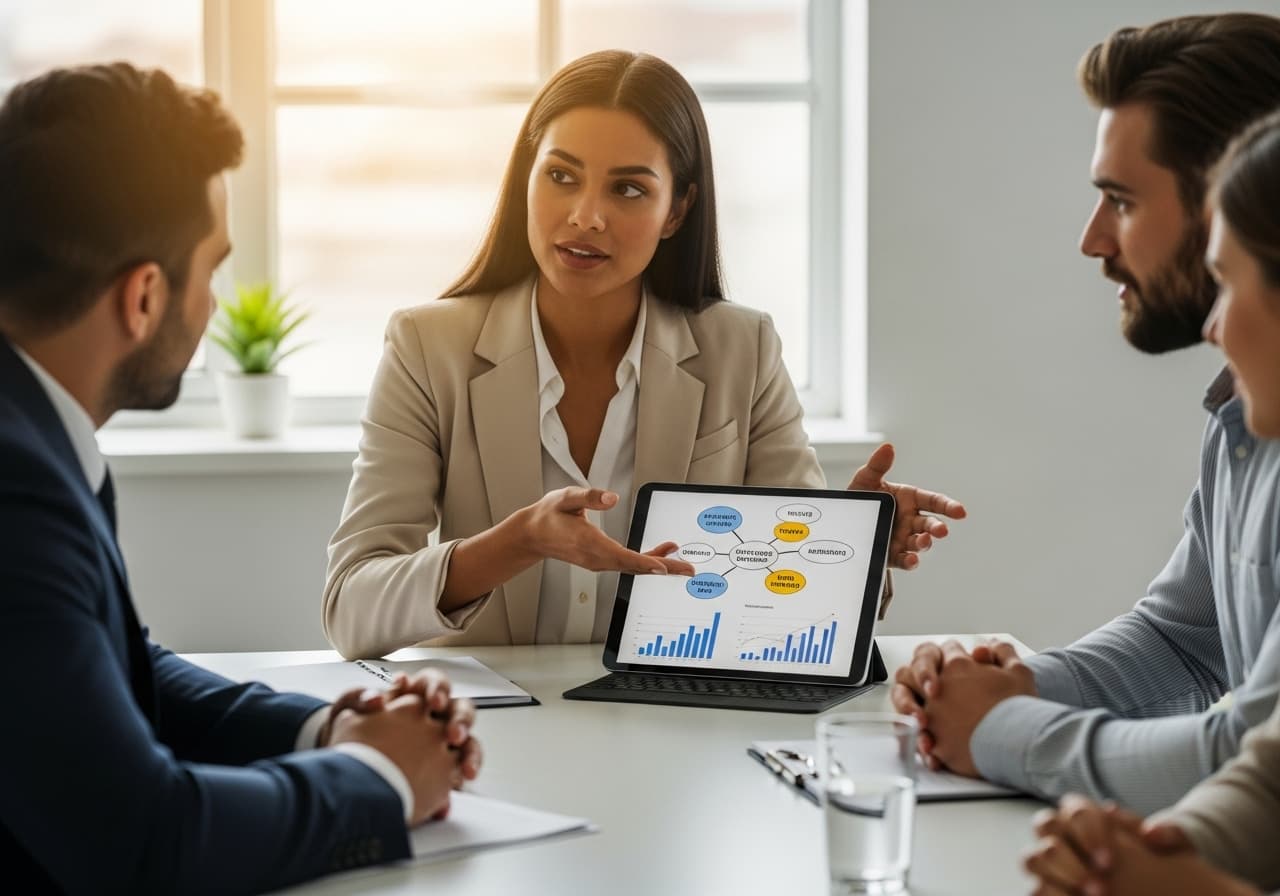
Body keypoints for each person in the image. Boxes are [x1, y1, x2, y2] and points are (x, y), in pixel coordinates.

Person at [0, 63, 480, 893]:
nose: (214, 305)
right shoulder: (15, 491)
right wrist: (379, 780)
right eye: (210, 270)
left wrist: (330, 729)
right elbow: (145, 838)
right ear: (143, 297)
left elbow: (118, 670)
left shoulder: (32, 431)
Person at [323, 50, 966, 657]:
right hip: (488, 731)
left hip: (675, 719)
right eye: (560, 176)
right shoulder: (427, 346)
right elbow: (350, 608)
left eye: (627, 190)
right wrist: (513, 544)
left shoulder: (742, 349)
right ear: (526, 179)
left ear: (677, 209)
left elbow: (794, 613)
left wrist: (855, 548)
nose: (585, 216)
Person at [889, 12, 1280, 814]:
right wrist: (1016, 685)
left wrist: (1002, 730)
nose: (1092, 240)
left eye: (1121, 202)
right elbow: (1182, 641)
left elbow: (1253, 760)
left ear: (1228, 207)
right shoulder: (1241, 419)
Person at [1023, 108, 1280, 896]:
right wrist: (1160, 852)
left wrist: (1000, 728)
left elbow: (1239, 742)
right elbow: (1268, 775)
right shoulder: (1238, 420)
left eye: (1229, 279)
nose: (1213, 325)